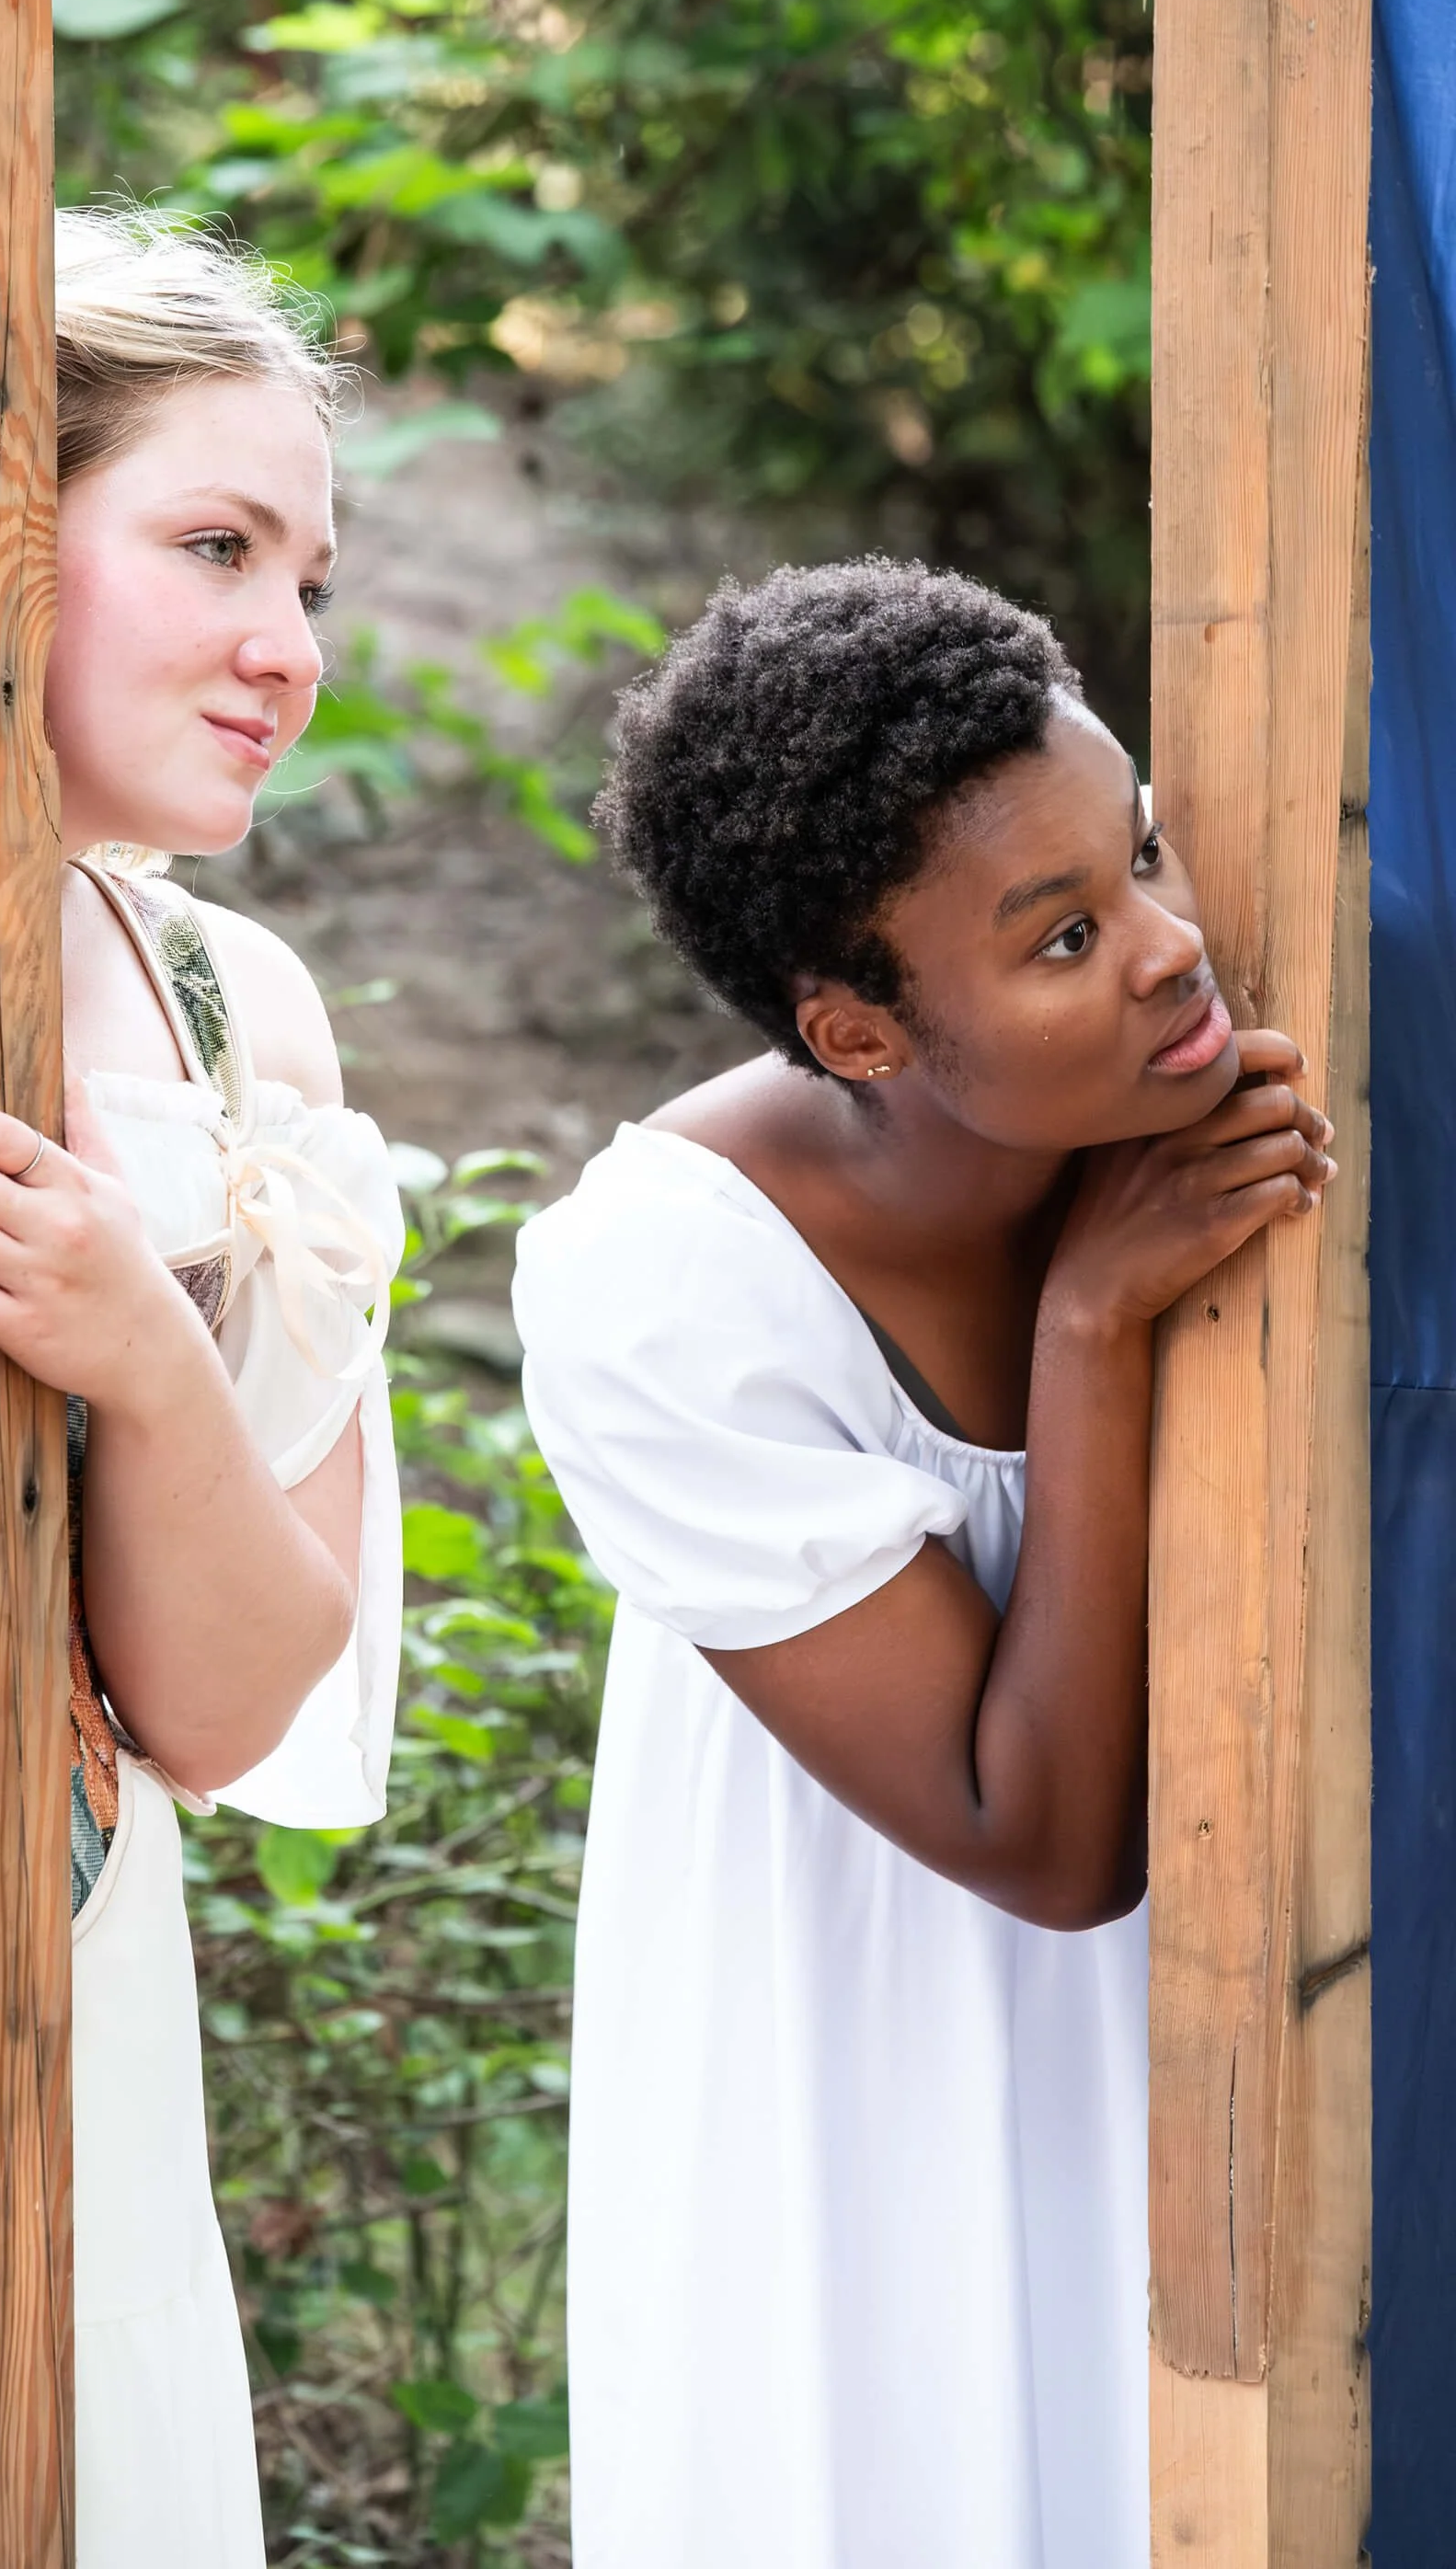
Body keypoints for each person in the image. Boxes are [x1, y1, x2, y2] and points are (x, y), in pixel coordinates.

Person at [510, 561, 1335, 2569]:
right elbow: (1038, 1840)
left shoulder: (1196, 1104)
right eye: (1064, 937)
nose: (1167, 949)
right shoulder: (662, 1286)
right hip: (861, 2097)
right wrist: (1089, 1333)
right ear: (858, 1029)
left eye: (1135, 853)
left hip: (1208, 2050)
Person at [0, 210, 405, 2563]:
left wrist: (135, 1356)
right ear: (4, 514)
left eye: (307, 575)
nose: (283, 649)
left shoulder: (232, 1013)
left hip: (67, 1974)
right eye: (212, 545)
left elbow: (233, 1695)